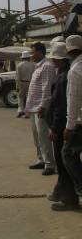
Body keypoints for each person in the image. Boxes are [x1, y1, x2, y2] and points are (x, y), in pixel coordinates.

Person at [45, 41, 79, 211]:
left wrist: (54, 127)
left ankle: (69, 198)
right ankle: (60, 191)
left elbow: (61, 104)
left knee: (63, 161)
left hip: (62, 126)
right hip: (65, 123)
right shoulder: (66, 72)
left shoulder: (64, 76)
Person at [25, 42, 56, 175]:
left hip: (40, 108)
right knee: (36, 136)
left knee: (43, 136)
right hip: (33, 107)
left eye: (33, 52)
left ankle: (49, 164)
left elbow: (46, 88)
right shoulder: (38, 67)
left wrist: (43, 106)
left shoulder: (47, 66)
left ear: (40, 52)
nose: (31, 55)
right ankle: (41, 159)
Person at [62, 35, 82, 201]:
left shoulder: (75, 71)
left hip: (79, 123)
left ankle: (80, 187)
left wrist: (69, 126)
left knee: (67, 154)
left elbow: (73, 100)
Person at [16, 51, 35, 118]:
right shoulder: (33, 65)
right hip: (30, 83)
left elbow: (18, 77)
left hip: (22, 83)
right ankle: (27, 113)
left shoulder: (20, 65)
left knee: (20, 97)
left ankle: (20, 110)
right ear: (28, 57)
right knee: (28, 98)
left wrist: (17, 86)